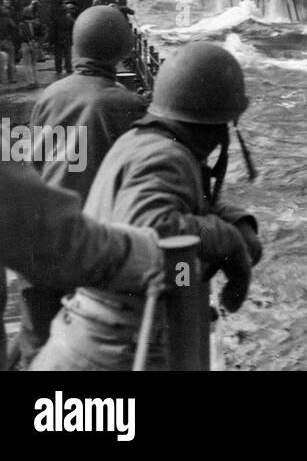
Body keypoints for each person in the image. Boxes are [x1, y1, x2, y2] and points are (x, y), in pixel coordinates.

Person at [31, 42, 261, 371]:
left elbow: (186, 202)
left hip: (95, 338)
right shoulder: (167, 156)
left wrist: (237, 222)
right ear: (222, 124)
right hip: (116, 354)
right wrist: (229, 243)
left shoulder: (145, 142)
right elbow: (153, 226)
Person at [0, 37, 163, 371]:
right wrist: (148, 253)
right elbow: (64, 240)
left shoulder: (51, 95)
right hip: (75, 237)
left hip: (33, 262)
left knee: (34, 335)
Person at [50, 1, 76, 76]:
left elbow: (53, 30)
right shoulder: (70, 19)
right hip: (67, 37)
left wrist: (52, 41)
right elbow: (73, 29)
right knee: (68, 54)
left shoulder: (56, 19)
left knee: (58, 55)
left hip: (58, 38)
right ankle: (68, 68)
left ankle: (58, 69)